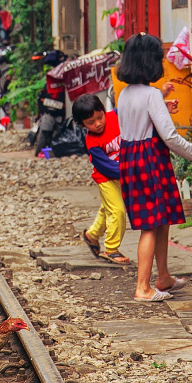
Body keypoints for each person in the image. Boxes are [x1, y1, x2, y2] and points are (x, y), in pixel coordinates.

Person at [115, 32, 192, 301]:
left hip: (131, 159)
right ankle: (142, 287)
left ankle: (163, 277)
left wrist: (161, 101)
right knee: (151, 225)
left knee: (158, 221)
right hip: (151, 160)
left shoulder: (125, 94)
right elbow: (170, 136)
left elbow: (139, 121)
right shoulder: (150, 95)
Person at [77, 95, 129, 265]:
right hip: (106, 178)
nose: (98, 124)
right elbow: (106, 167)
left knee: (108, 208)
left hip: (121, 173)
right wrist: (129, 171)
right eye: (91, 122)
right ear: (82, 125)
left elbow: (137, 110)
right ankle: (111, 249)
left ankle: (92, 235)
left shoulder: (116, 115)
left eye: (100, 117)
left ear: (103, 111)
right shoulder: (91, 142)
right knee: (117, 211)